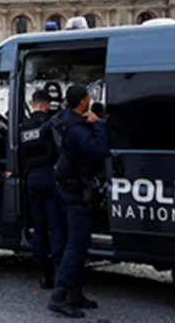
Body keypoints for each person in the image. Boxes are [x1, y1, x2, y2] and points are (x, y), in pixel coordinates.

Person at [48, 84, 109, 318]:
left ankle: (75, 294)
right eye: (88, 97)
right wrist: (99, 124)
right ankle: (59, 296)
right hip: (78, 191)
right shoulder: (77, 127)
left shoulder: (60, 120)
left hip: (66, 187)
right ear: (83, 101)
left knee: (78, 244)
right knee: (76, 246)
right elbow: (99, 149)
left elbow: (43, 135)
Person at [20, 89, 65, 289]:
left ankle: (44, 273)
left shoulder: (24, 127)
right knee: (55, 227)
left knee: (39, 229)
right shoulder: (50, 124)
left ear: (33, 104)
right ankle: (58, 271)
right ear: (47, 105)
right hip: (50, 179)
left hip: (32, 180)